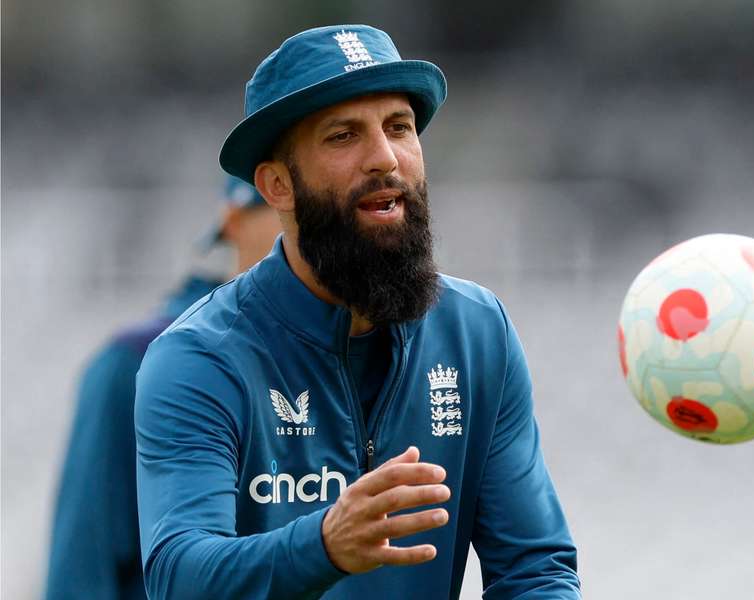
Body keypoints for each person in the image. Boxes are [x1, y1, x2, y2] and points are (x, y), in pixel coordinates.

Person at [135, 24, 581, 600]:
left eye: (399, 127)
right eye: (343, 136)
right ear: (277, 186)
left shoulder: (477, 331)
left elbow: (535, 570)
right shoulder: (198, 357)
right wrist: (322, 546)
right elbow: (179, 576)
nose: (384, 158)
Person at [45, 176, 281, 600]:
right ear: (234, 220)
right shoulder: (131, 363)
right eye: (284, 204)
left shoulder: (361, 358)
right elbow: (81, 569)